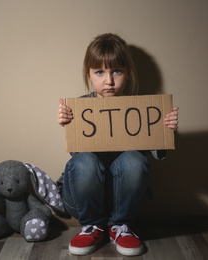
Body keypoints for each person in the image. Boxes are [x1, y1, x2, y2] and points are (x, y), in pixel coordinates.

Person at [57, 33, 179, 256]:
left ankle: (120, 227)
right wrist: (69, 124)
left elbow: (156, 149)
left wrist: (165, 129)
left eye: (117, 71)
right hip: (83, 200)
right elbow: (78, 157)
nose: (109, 81)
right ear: (89, 74)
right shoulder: (80, 107)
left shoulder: (141, 108)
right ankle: (91, 227)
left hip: (121, 201)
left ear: (128, 73)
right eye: (100, 72)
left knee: (134, 159)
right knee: (83, 160)